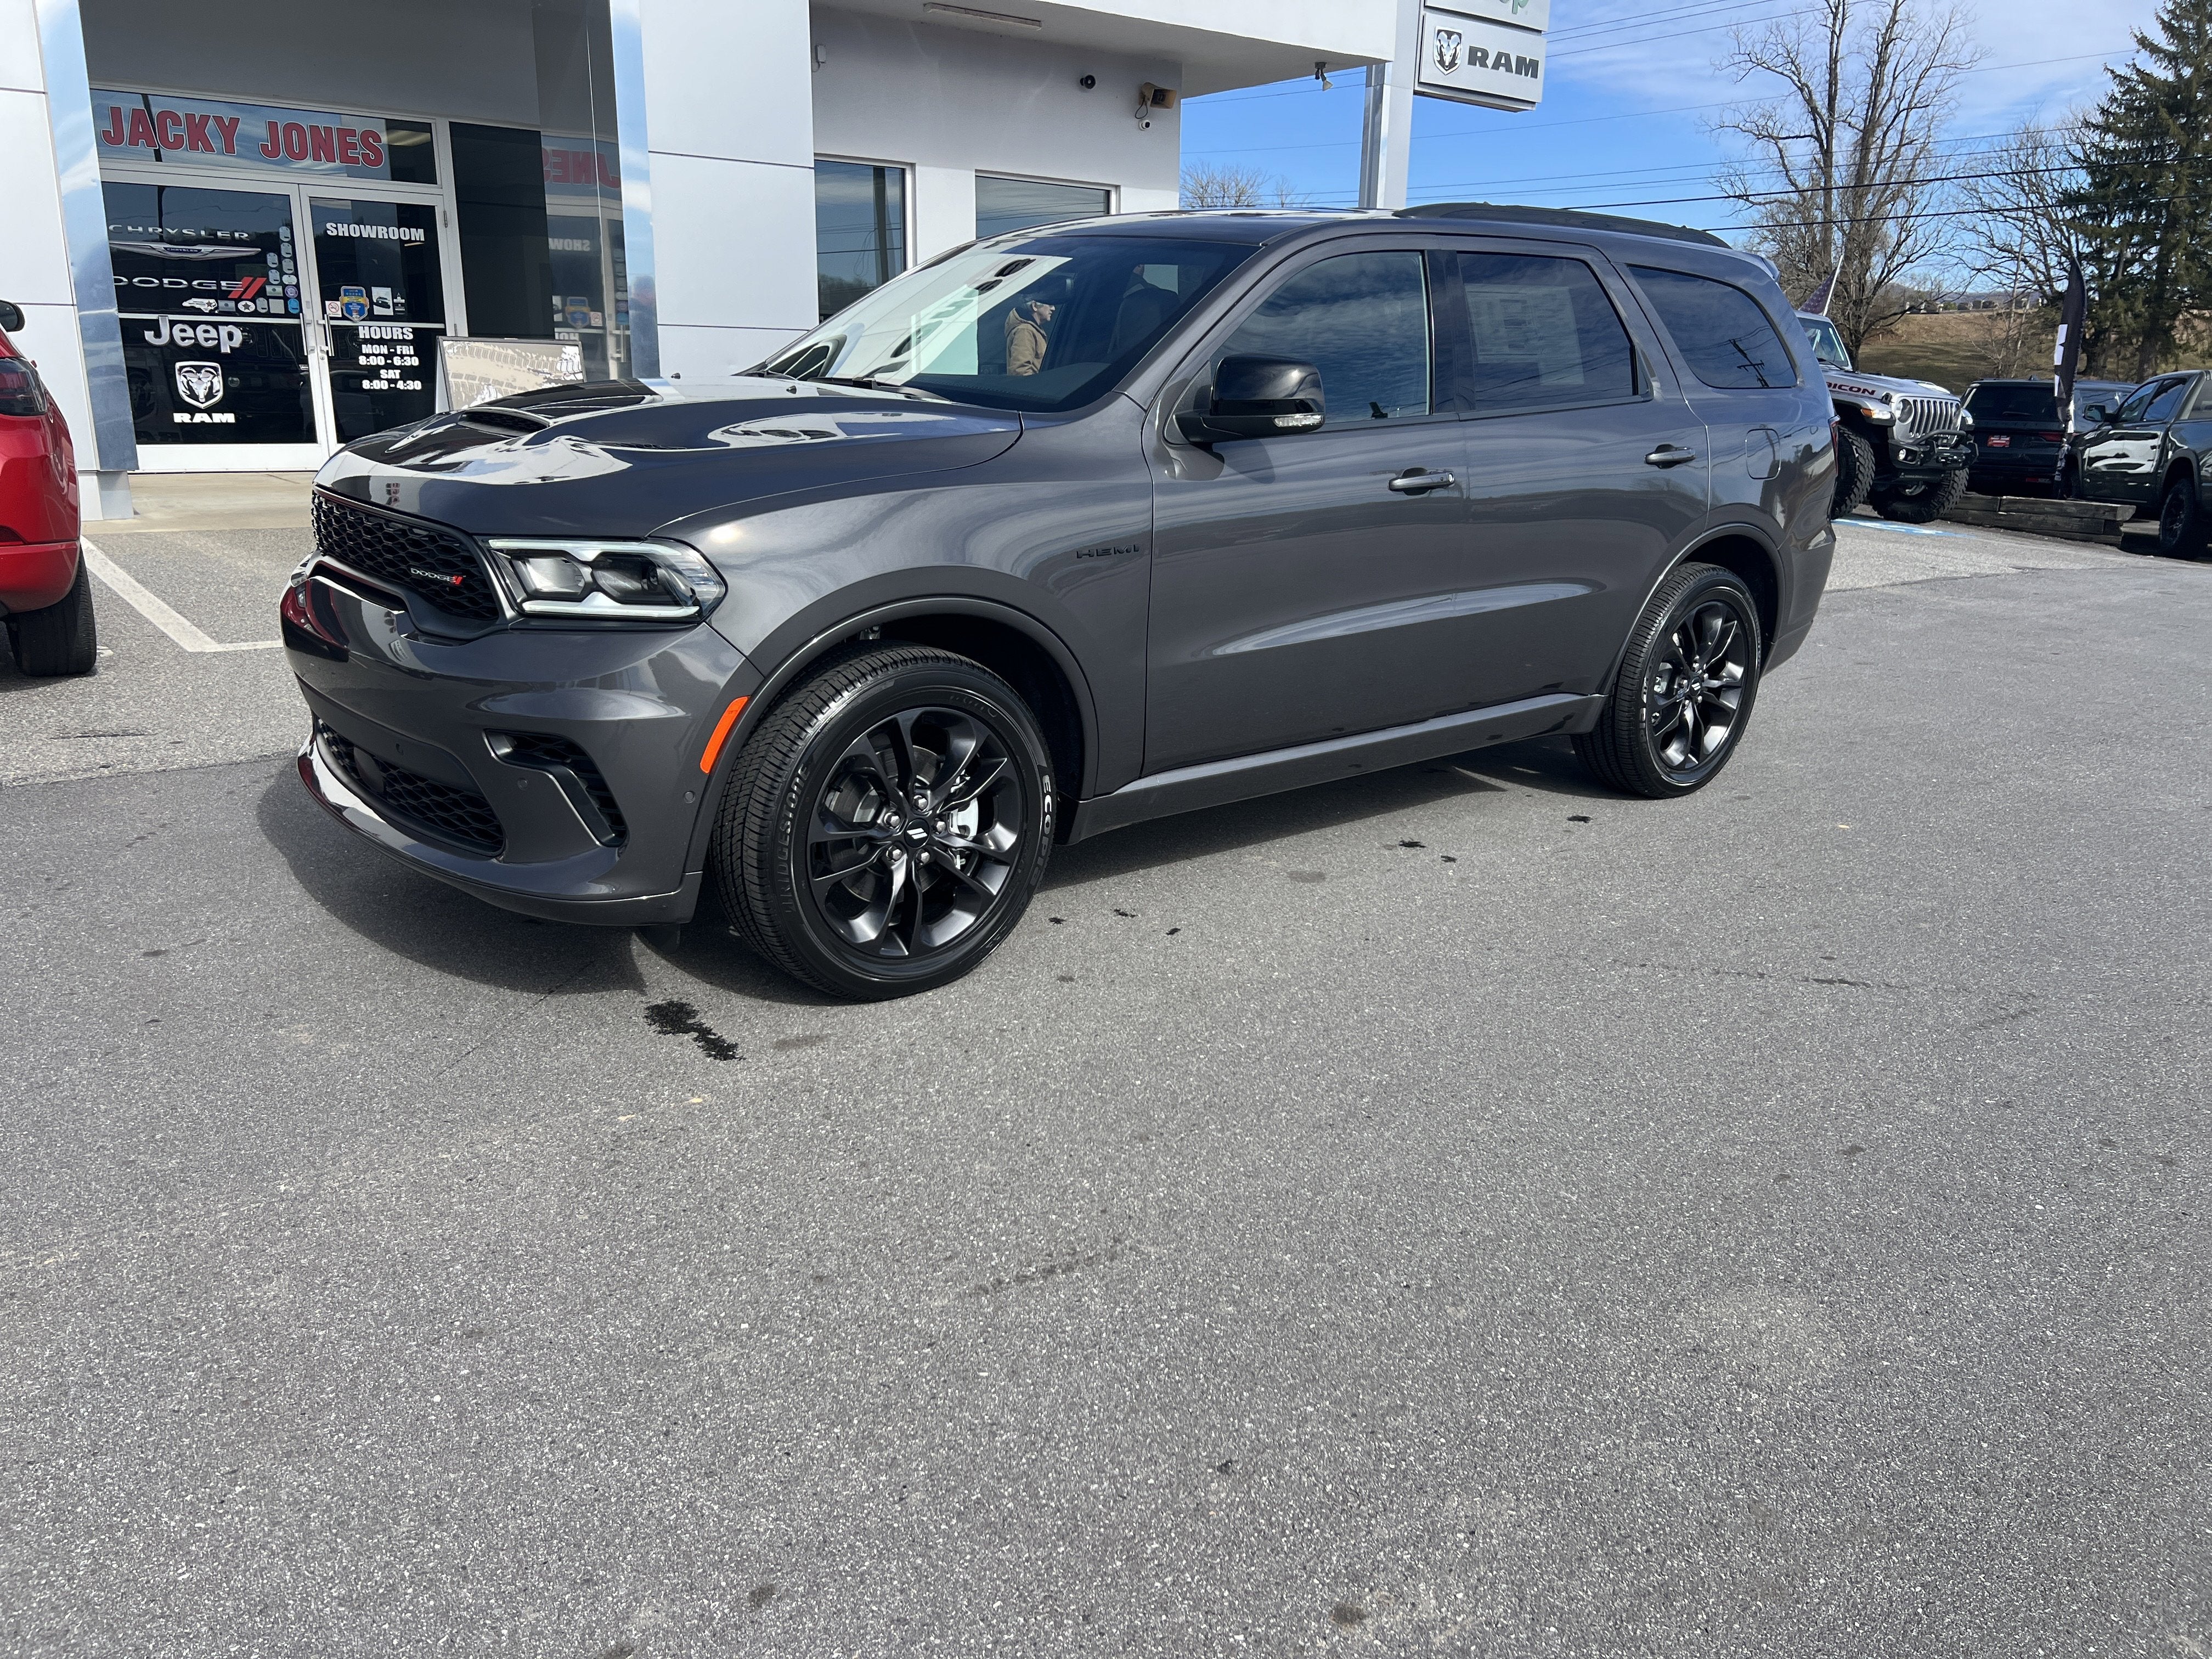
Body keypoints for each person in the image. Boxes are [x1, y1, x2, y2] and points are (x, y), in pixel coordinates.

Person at [1005, 298, 1054, 376]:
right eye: (1049, 305)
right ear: (1035, 306)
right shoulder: (1025, 330)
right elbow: (1020, 371)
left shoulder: (1032, 329)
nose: (1053, 308)